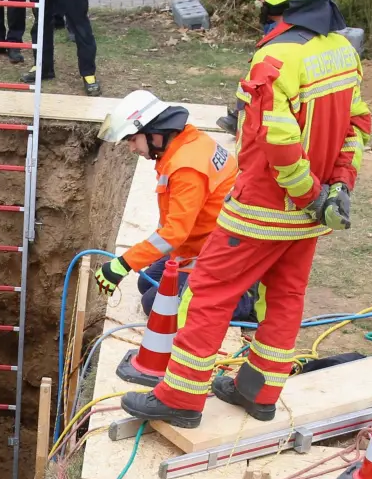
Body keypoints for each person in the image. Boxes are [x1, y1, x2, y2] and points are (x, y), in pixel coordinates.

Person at [120, 0, 369, 429]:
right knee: (284, 298)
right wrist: (336, 188)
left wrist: (306, 192)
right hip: (310, 214)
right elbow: (356, 126)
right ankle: (257, 390)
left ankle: (181, 398)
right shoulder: (342, 50)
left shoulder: (276, 57)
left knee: (208, 291)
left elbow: (277, 141)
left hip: (263, 207)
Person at [93, 90, 260, 324]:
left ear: (153, 132)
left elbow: (174, 233)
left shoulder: (186, 168)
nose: (131, 148)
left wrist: (124, 263)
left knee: (153, 304)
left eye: (132, 139)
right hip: (203, 242)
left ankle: (244, 299)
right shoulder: (182, 144)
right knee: (146, 282)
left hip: (223, 254)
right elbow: (174, 224)